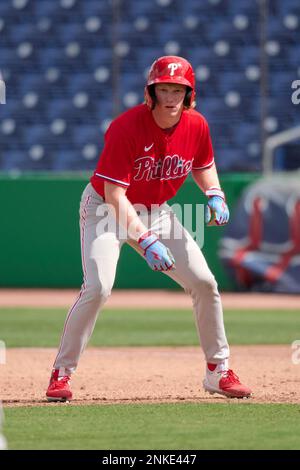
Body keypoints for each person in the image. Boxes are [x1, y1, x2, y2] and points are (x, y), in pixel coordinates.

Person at [46, 56, 252, 402]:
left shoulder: (197, 125)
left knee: (204, 282)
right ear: (151, 92)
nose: (170, 96)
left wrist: (214, 192)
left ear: (189, 95)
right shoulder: (126, 127)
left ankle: (219, 371)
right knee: (98, 288)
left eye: (178, 90)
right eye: (164, 89)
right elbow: (114, 194)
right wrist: (145, 239)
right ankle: (61, 374)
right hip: (105, 210)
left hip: (157, 211)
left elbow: (204, 164)